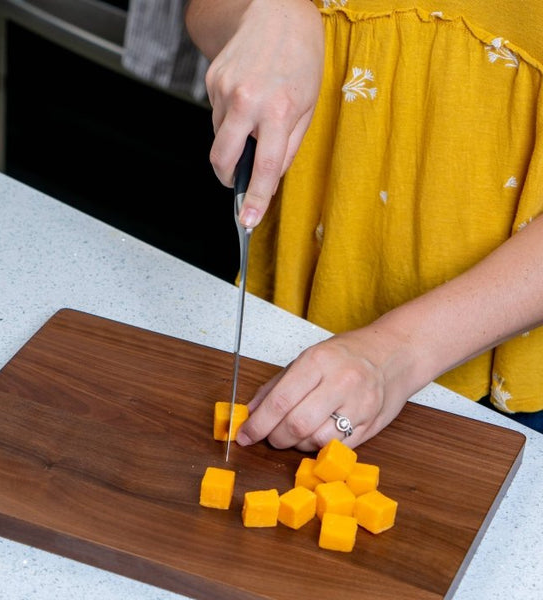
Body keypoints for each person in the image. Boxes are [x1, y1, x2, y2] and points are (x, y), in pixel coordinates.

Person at [184, 0, 543, 452]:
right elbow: (204, 13)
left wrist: (401, 350)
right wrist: (262, 11)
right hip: (280, 316)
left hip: (498, 384)